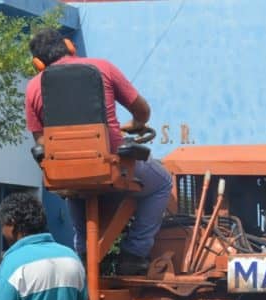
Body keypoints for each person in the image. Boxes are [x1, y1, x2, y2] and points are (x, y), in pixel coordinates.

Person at [25, 27, 173, 276]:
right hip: (112, 164)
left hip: (66, 170)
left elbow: (42, 142)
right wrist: (136, 124)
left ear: (38, 63)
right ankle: (134, 253)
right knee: (162, 182)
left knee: (76, 185)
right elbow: (142, 111)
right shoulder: (102, 67)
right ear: (70, 46)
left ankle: (84, 255)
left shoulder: (32, 89)